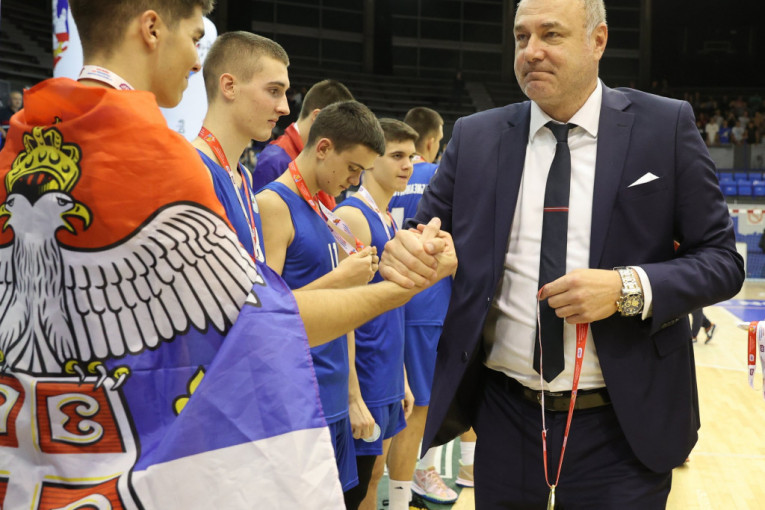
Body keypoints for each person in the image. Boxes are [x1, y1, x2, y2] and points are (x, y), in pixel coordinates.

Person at [379, 0, 745, 507]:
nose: (531, 51)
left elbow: (722, 260)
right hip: (504, 417)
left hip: (624, 425)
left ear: (598, 41)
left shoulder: (664, 126)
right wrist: (412, 251)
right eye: (521, 37)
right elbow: (422, 235)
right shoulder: (477, 136)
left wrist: (626, 288)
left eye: (551, 34)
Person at [257, 100, 390, 499]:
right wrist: (341, 279)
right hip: (296, 399)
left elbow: (340, 314)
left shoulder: (322, 207)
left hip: (332, 394)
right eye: (352, 168)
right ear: (324, 148)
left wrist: (352, 393)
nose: (355, 180)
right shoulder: (273, 205)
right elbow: (264, 314)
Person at [333, 119, 418, 510]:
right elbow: (341, 312)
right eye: (397, 155)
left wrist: (402, 378)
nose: (407, 165)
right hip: (363, 373)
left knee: (374, 475)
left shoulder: (386, 217)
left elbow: (392, 307)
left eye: (411, 156)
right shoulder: (352, 216)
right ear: (371, 160)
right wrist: (352, 395)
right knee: (357, 487)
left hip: (386, 372)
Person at [385, 107, 464, 507]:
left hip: (387, 300)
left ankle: (404, 481)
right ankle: (415, 480)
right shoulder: (439, 176)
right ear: (432, 141)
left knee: (400, 401)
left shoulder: (381, 177)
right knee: (419, 406)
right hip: (427, 302)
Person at [252, 79, 354, 194]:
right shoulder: (275, 161)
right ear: (317, 118)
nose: (340, 141)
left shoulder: (322, 164)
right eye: (339, 132)